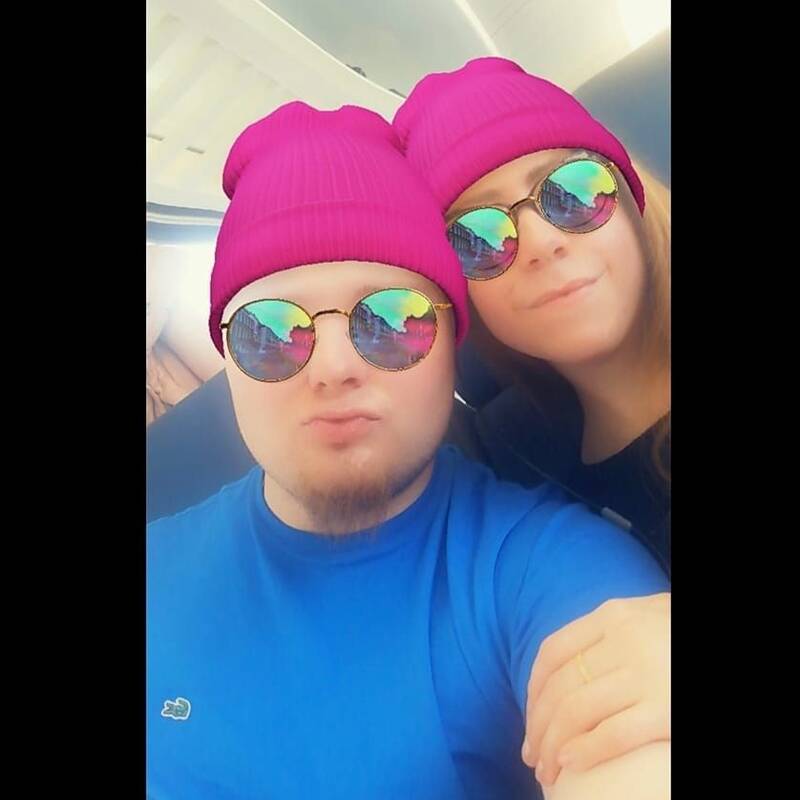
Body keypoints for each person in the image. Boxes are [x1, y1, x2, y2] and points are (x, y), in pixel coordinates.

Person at [147, 100, 668, 799]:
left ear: (453, 351)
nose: (334, 368)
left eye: (393, 320)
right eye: (270, 331)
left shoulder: (551, 568)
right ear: (227, 360)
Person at [394, 57, 671, 784]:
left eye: (571, 190)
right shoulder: (515, 469)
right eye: (478, 237)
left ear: (629, 196)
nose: (544, 240)